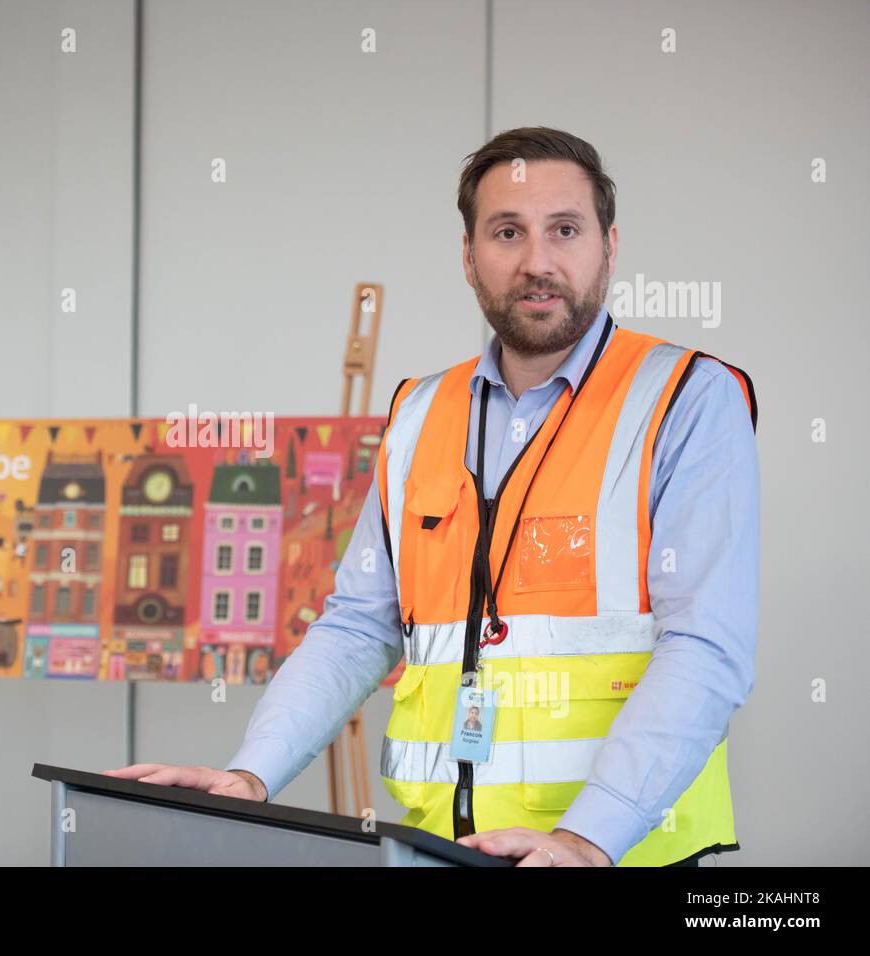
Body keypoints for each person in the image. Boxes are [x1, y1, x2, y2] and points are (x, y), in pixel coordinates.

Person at [105, 127, 758, 868]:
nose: (537, 262)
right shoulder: (420, 412)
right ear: (469, 256)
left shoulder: (687, 398)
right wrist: (251, 773)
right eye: (506, 231)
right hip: (440, 851)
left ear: (610, 246)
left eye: (565, 230)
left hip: (619, 857)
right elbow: (358, 627)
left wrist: (586, 840)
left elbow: (706, 648)